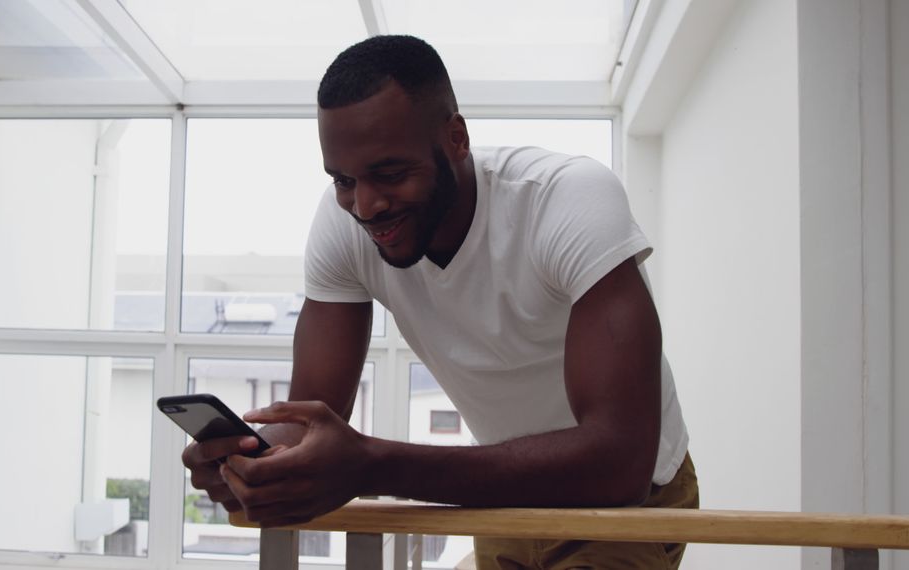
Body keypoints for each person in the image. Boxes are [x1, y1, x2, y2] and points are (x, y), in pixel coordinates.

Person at [182, 35, 699, 569]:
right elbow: (309, 419)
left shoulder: (565, 200)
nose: (365, 205)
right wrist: (257, 460)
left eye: (390, 174)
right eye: (343, 180)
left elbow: (619, 460)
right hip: (507, 490)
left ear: (456, 138)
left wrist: (371, 465)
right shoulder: (344, 225)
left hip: (630, 497)